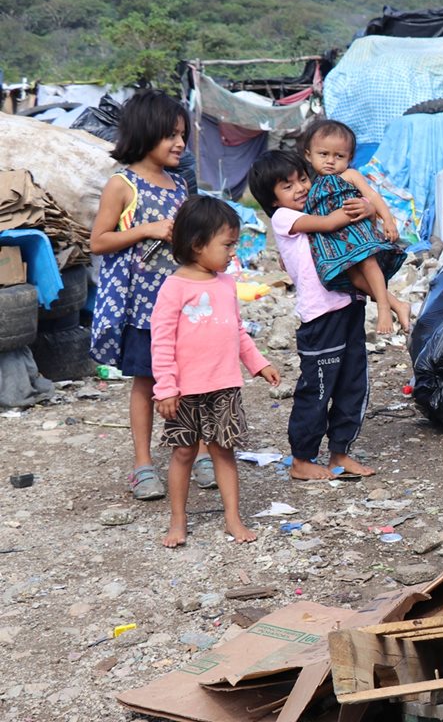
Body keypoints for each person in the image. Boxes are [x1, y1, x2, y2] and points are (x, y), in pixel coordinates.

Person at [89, 89, 220, 502]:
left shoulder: (181, 183)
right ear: (147, 135)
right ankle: (143, 465)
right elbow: (98, 241)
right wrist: (146, 229)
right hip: (144, 308)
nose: (181, 143)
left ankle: (199, 452)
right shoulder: (122, 184)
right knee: (148, 381)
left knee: (196, 381)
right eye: (172, 135)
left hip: (187, 304)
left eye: (183, 134)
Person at [150, 196, 281, 547]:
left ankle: (232, 518)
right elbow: (161, 342)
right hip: (184, 392)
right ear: (197, 245)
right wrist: (165, 388)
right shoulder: (174, 288)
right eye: (227, 245)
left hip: (224, 386)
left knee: (224, 451)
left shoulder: (225, 284)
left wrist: (258, 363)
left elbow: (237, 330)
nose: (232, 253)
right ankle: (178, 520)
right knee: (183, 453)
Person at [248, 150, 378, 481]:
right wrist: (363, 205)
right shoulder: (283, 219)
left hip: (349, 304)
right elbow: (335, 222)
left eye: (303, 179)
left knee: (353, 384)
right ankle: (302, 459)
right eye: (287, 186)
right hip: (320, 318)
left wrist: (370, 207)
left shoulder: (310, 208)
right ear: (272, 199)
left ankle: (340, 453)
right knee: (317, 390)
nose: (300, 188)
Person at [300, 120, 409, 335]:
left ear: (349, 159)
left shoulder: (349, 175)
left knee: (367, 262)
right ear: (308, 155)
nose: (330, 161)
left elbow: (372, 196)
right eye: (323, 154)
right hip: (333, 241)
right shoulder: (309, 187)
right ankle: (398, 305)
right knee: (355, 278)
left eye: (339, 156)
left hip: (354, 230)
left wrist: (387, 219)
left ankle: (384, 308)